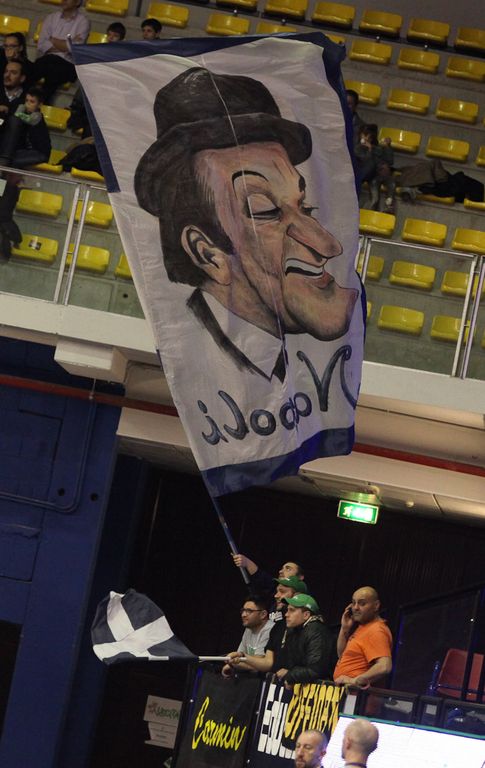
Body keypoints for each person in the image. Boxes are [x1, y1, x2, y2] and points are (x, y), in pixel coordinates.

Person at [134, 67, 358, 382]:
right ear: (207, 253)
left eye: (304, 207)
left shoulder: (281, 362)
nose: (328, 245)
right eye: (267, 211)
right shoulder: (205, 360)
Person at [225, 576, 307, 676]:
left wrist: (291, 674)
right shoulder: (278, 627)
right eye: (277, 591)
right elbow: (268, 664)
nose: (276, 596)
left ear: (297, 596)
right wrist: (237, 660)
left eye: (282, 591)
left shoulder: (311, 628)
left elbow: (315, 668)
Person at [334, 586, 392, 688]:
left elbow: (384, 666)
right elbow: (341, 656)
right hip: (348, 692)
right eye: (353, 603)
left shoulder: (376, 630)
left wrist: (354, 681)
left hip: (358, 695)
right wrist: (344, 629)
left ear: (376, 606)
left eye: (362, 603)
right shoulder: (363, 627)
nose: (355, 608)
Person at [33, 0, 90, 104]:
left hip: (68, 63)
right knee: (32, 69)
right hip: (48, 59)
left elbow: (75, 48)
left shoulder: (83, 22)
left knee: (54, 71)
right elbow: (41, 44)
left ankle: (41, 103)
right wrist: (66, 45)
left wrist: (52, 40)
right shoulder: (51, 18)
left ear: (77, 2)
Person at [277, 594, 334, 685]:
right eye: (287, 610)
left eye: (292, 610)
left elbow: (316, 670)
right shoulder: (294, 630)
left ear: (306, 615)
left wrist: (290, 675)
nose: (286, 614)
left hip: (320, 690)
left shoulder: (317, 631)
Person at [222, 594, 273, 677]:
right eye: (243, 610)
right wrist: (232, 664)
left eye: (249, 611)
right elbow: (239, 657)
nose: (243, 615)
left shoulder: (271, 630)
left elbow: (259, 665)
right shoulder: (249, 629)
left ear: (263, 614)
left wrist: (233, 664)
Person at [0, 86, 51, 169]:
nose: (28, 104)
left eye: (32, 102)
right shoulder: (24, 115)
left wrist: (21, 107)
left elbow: (25, 118)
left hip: (39, 154)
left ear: (39, 105)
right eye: (26, 101)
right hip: (25, 151)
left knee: (9, 161)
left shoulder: (37, 116)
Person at [354, 123, 395, 213]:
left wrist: (387, 147)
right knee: (375, 198)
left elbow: (390, 161)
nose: (366, 139)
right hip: (370, 176)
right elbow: (367, 163)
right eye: (365, 135)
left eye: (369, 137)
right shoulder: (358, 149)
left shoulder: (377, 148)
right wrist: (369, 150)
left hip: (382, 175)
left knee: (391, 185)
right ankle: (368, 213)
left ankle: (389, 206)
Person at [231, 553, 305, 599]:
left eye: (288, 569)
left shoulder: (303, 600)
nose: (280, 571)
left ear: (300, 577)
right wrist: (246, 562)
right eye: (282, 568)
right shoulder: (275, 591)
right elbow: (260, 576)